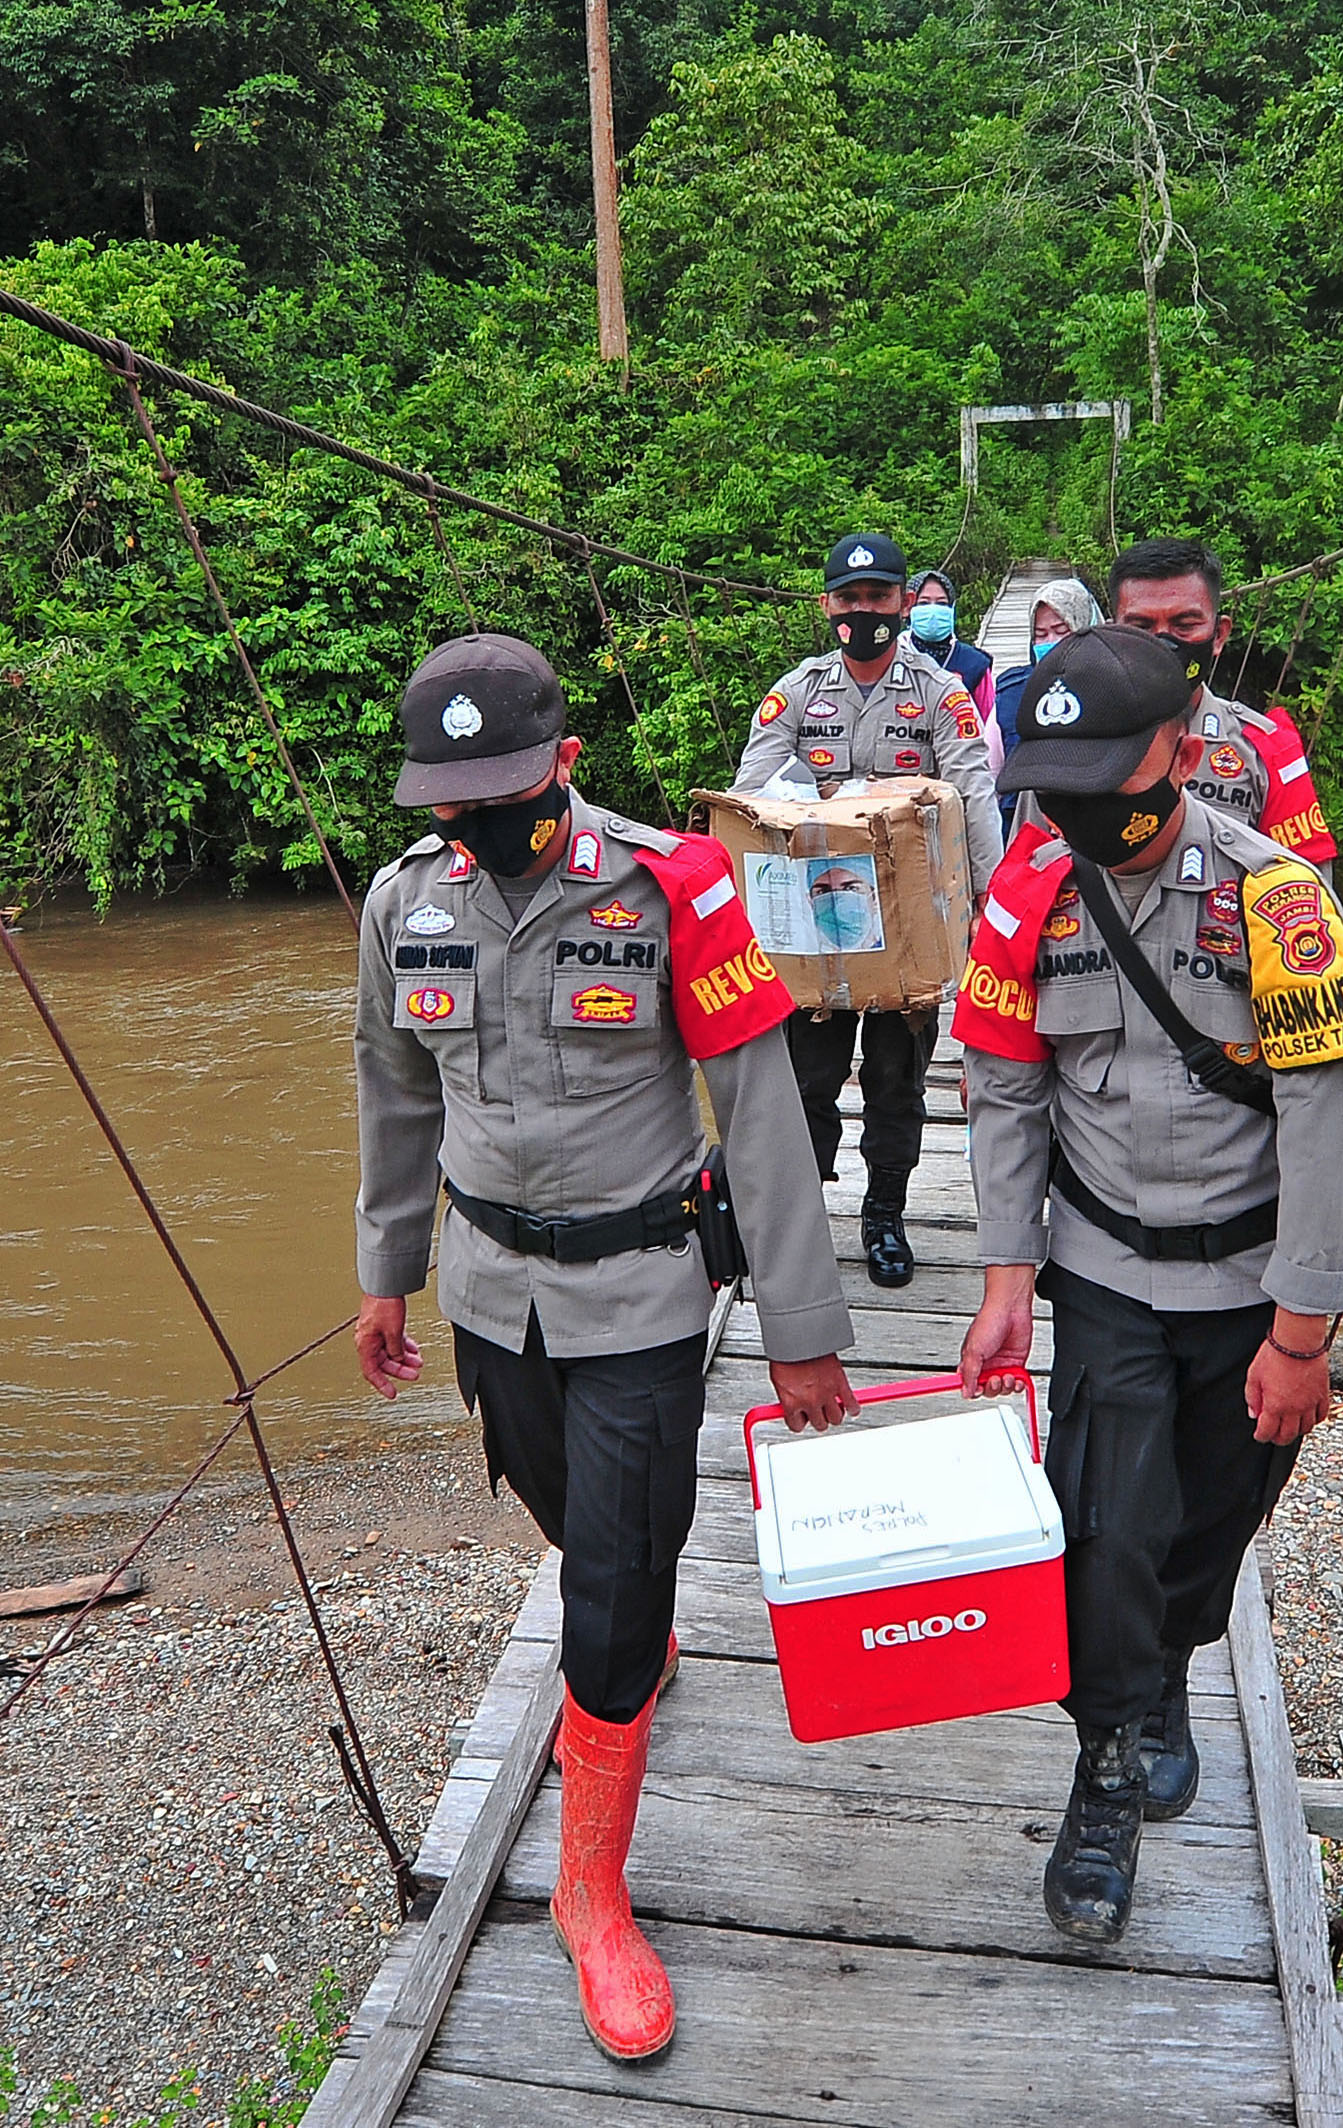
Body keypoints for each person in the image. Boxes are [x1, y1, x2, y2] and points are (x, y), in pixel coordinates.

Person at [353, 632, 860, 2063]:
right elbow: (393, 1096)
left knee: (622, 1579)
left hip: (641, 1296)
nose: (477, 827)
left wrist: (806, 1342)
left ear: (565, 768)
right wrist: (386, 1273)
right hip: (488, 1290)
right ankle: (624, 1646)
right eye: (450, 801)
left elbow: (763, 1119)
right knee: (571, 1522)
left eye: (503, 795)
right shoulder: (407, 904)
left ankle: (591, 1892)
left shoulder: (679, 888)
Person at [946, 623, 1343, 1945]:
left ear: (1182, 757)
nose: (1079, 810)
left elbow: (1319, 1120)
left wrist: (1302, 1332)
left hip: (1251, 1281)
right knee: (1107, 1528)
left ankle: (1174, 1663)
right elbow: (1008, 1090)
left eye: (1104, 780)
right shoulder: (1030, 890)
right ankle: (1108, 1766)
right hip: (1105, 1273)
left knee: (1208, 1524)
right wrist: (1007, 1272)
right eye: (1054, 784)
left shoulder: (1282, 901)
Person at [732, 532, 1004, 1290]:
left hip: (910, 924)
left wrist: (990, 910)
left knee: (895, 1079)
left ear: (903, 604)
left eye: (879, 598)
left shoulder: (939, 695)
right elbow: (751, 795)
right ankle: (805, 1219)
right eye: (849, 599)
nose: (863, 613)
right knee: (806, 1078)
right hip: (818, 925)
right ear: (827, 605)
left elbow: (974, 793)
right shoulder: (798, 691)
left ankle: (884, 1214)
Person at [1102, 537, 1338, 865]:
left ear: (1219, 636)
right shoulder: (1062, 748)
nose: (1162, 644)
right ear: (1112, 634)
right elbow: (1026, 885)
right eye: (1141, 627)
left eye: (1184, 626)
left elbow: (1308, 889)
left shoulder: (1267, 749)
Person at [990, 573, 1101, 760]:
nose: (1052, 642)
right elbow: (990, 768)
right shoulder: (1011, 693)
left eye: (1062, 631)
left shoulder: (1113, 686)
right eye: (1040, 635)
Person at [906, 565, 995, 708]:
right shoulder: (892, 658)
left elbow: (989, 718)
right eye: (923, 603)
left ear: (952, 609)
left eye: (942, 603)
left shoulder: (975, 663)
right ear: (908, 608)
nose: (933, 611)